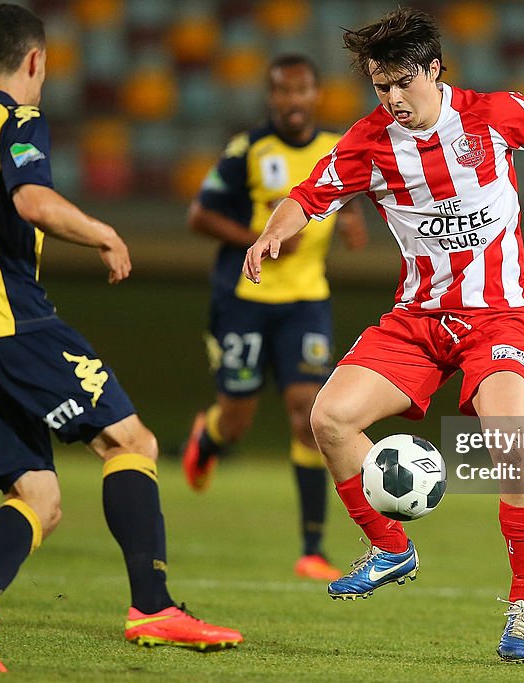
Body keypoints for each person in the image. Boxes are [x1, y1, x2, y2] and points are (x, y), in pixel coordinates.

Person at [243, 7, 524, 663]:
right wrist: (273, 230)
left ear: (432, 70)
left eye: (402, 82)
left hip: (496, 318)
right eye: (379, 87)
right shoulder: (368, 141)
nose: (392, 99)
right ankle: (391, 547)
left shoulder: (493, 114)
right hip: (418, 320)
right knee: (329, 418)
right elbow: (309, 196)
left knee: (509, 442)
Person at [0, 4, 241, 672]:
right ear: (35, 60)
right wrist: (105, 232)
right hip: (10, 317)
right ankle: (153, 605)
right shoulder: (16, 118)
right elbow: (33, 202)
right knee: (131, 441)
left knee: (38, 495)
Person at [182, 54, 368, 581]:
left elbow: (344, 192)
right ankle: (211, 436)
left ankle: (312, 548)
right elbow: (199, 215)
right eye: (283, 92)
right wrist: (260, 242)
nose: (293, 101)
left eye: (302, 91)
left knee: (308, 410)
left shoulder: (337, 147)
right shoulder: (248, 150)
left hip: (307, 300)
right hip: (246, 296)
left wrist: (352, 219)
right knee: (238, 416)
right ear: (271, 98)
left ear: (315, 96)